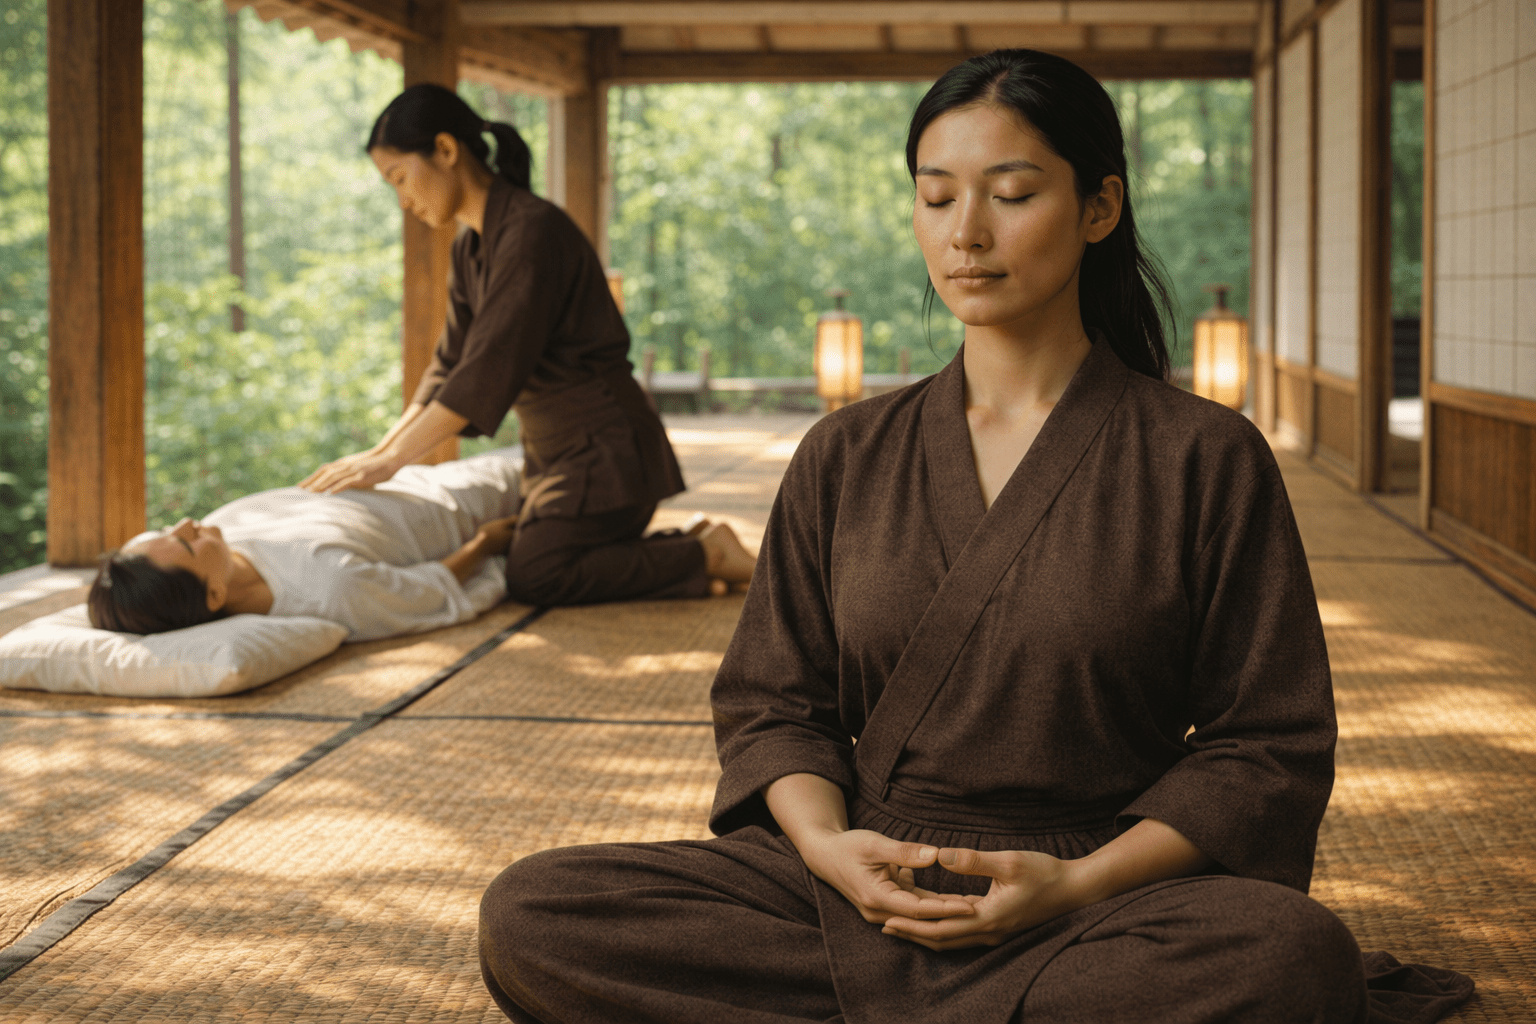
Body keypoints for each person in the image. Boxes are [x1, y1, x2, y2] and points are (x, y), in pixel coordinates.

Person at [474, 50, 1474, 1023]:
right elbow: (773, 703)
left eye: (1011, 192)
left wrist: (1076, 884)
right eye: (937, 194)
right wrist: (829, 849)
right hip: (861, 882)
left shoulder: (1201, 455)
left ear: (1099, 209)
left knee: (1289, 959)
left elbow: (1265, 745)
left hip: (1098, 896)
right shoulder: (846, 451)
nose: (968, 233)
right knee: (537, 912)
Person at [299, 84, 754, 606]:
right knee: (526, 553)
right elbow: (448, 365)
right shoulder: (472, 245)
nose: (403, 200)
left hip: (607, 454)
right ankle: (690, 550)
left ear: (446, 151)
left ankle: (706, 555)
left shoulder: (532, 231)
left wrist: (392, 461)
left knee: (536, 574)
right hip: (557, 458)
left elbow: (486, 370)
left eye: (400, 177)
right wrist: (379, 454)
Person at [90, 454, 522, 642]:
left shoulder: (224, 530)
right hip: (480, 502)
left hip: (440, 474)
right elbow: (428, 591)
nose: (187, 522)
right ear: (214, 594)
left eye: (168, 528)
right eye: (184, 542)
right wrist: (485, 544)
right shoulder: (328, 587)